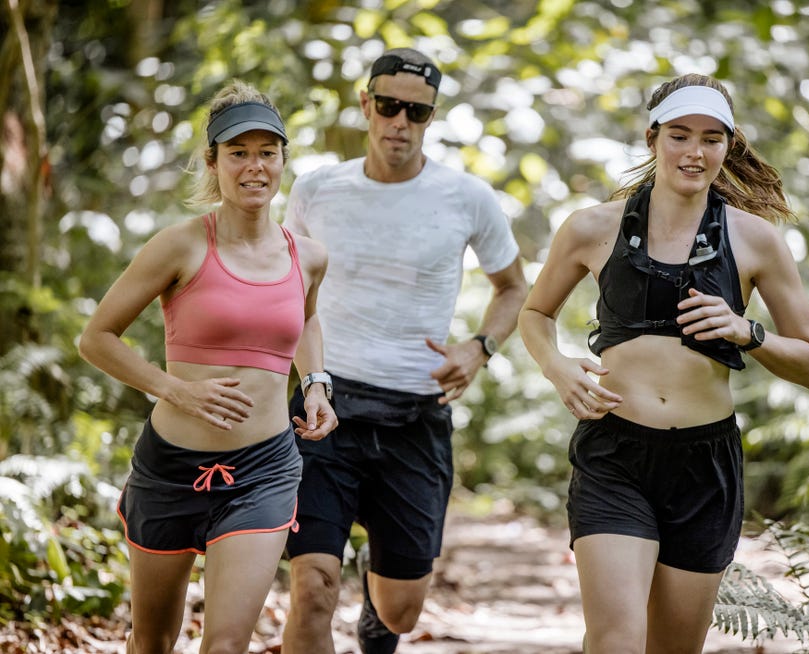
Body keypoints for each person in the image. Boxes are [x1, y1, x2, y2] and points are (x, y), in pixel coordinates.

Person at [518, 73, 809, 654]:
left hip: (704, 464)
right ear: (653, 136)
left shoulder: (755, 240)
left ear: (728, 146)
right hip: (615, 454)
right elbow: (535, 313)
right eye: (680, 135)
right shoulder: (592, 227)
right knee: (616, 639)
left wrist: (747, 331)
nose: (694, 151)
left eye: (711, 138)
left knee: (673, 647)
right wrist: (557, 366)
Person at [280, 48, 527, 654]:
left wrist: (480, 347)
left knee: (400, 612)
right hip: (323, 407)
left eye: (416, 112)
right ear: (366, 104)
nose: (400, 122)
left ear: (430, 118)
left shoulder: (466, 197)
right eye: (388, 106)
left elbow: (515, 287)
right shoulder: (316, 189)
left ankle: (377, 599)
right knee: (311, 588)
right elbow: (282, 288)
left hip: (416, 415)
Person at [78, 80, 338, 654]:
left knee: (224, 645)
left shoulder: (309, 255)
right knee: (152, 640)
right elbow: (96, 338)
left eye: (266, 152)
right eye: (238, 153)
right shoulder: (180, 246)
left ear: (282, 161)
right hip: (170, 469)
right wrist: (175, 390)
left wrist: (316, 383)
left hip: (263, 470)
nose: (254, 167)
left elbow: (307, 321)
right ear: (213, 161)